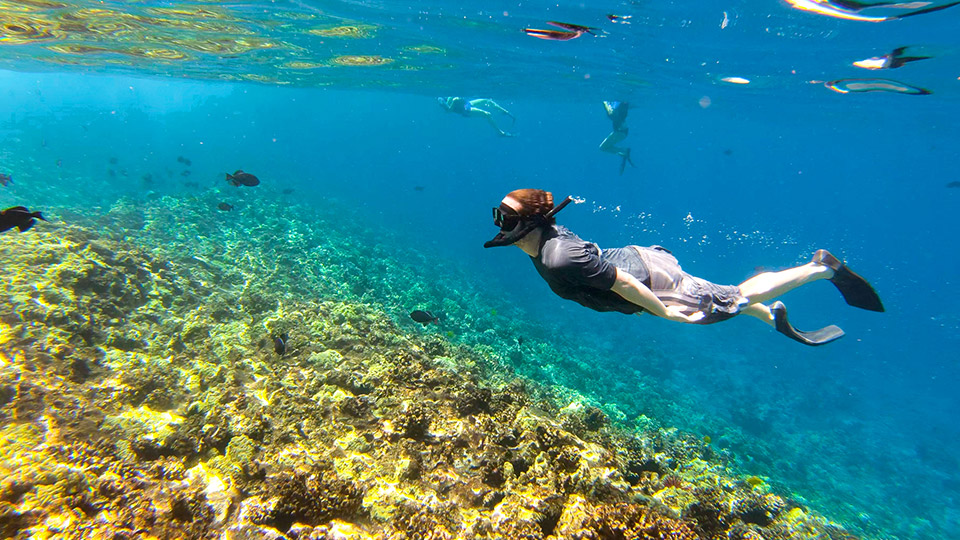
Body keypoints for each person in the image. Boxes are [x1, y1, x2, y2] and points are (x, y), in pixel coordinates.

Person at [484, 189, 884, 346]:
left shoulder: (557, 255)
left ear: (533, 223)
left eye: (507, 216)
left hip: (653, 280)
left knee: (733, 298)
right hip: (642, 263)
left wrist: (663, 311)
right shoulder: (546, 236)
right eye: (499, 215)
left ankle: (821, 268)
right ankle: (770, 315)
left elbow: (622, 284)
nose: (500, 224)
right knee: (723, 298)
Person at [437, 97, 515, 137]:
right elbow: (448, 111)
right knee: (487, 114)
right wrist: (454, 102)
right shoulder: (441, 99)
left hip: (467, 103)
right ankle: (500, 132)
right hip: (465, 110)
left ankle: (505, 112)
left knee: (487, 100)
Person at [599, 101, 635, 175]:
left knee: (602, 148)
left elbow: (610, 112)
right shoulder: (619, 113)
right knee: (603, 148)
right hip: (621, 133)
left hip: (620, 133)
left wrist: (605, 103)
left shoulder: (614, 114)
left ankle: (623, 151)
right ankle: (623, 152)